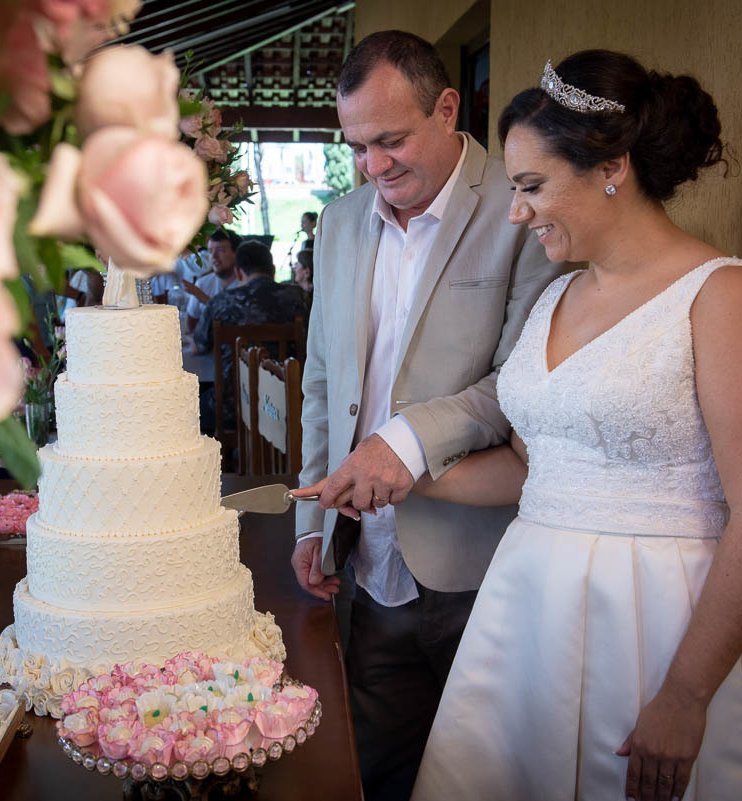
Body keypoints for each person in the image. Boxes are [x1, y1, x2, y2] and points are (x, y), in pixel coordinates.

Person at [406, 51, 742, 801]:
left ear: (612, 166)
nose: (518, 212)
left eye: (533, 186)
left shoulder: (727, 296)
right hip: (534, 618)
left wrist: (685, 693)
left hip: (669, 622)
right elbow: (536, 467)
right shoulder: (556, 299)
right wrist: (410, 479)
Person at [289, 30, 563, 801]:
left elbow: (520, 380)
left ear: (447, 108)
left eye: (391, 140)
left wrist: (404, 442)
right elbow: (319, 379)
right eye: (358, 148)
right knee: (377, 768)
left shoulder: (521, 204)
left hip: (478, 557)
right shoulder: (340, 222)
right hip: (365, 559)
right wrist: (313, 524)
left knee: (490, 776)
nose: (375, 168)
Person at [194, 240, 307, 433]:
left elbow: (200, 344)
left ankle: (221, 460)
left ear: (238, 272)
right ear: (272, 270)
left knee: (192, 409)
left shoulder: (221, 303)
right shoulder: (298, 298)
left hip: (231, 406)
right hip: (287, 402)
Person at [186, 228, 241, 334]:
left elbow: (238, 323)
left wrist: (206, 300)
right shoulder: (202, 283)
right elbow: (191, 326)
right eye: (210, 251)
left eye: (220, 251)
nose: (214, 257)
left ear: (236, 254)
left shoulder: (246, 285)